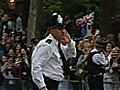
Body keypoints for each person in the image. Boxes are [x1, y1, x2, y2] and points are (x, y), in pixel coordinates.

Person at [31, 12, 76, 90]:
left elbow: (71, 55)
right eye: (59, 29)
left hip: (54, 83)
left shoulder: (57, 44)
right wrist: (42, 86)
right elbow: (36, 65)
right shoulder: (47, 45)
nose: (63, 32)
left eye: (63, 28)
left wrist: (70, 43)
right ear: (51, 30)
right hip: (46, 82)